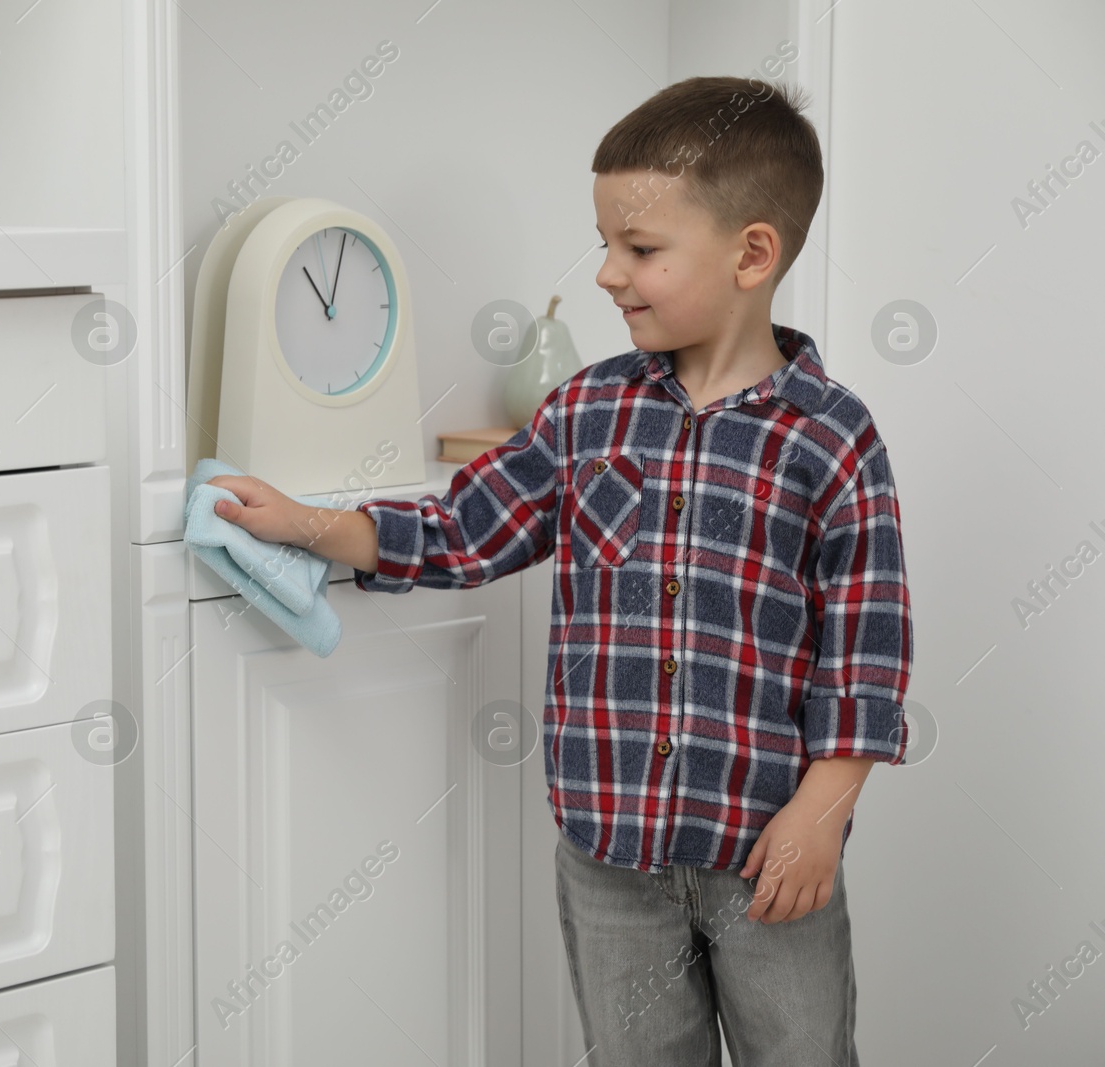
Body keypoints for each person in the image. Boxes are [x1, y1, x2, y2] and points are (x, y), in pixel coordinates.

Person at [206, 74, 912, 1066]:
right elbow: (465, 528)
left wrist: (821, 811)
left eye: (640, 249)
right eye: (605, 244)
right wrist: (315, 524)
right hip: (607, 847)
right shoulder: (585, 413)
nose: (606, 274)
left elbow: (865, 650)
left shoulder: (830, 439)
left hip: (767, 849)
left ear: (752, 252)